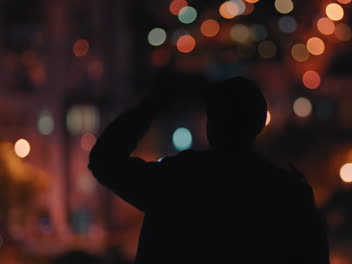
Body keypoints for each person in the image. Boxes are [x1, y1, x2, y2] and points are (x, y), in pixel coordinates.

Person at [88, 76, 329, 264]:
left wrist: (152, 106)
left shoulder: (178, 181)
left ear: (212, 125)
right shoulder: (288, 195)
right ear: (257, 126)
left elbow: (104, 160)